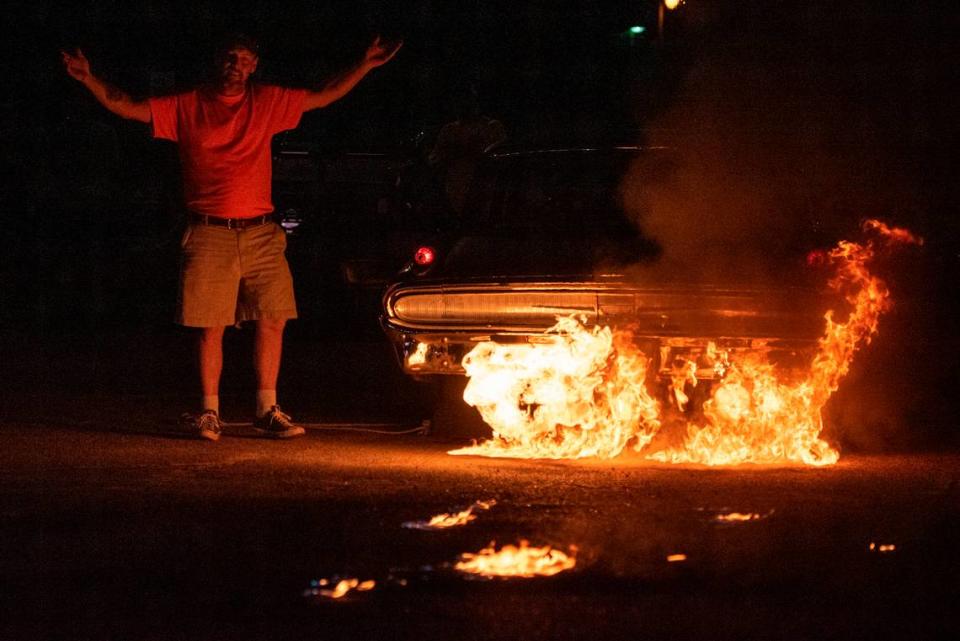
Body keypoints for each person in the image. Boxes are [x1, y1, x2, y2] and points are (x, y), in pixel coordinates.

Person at [62, 33, 402, 441]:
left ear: (254, 65)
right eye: (229, 57)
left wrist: (363, 64)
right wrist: (88, 79)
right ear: (217, 61)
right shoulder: (188, 105)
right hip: (209, 231)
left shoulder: (268, 101)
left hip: (260, 231)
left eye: (244, 59)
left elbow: (323, 95)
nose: (236, 65)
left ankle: (266, 409)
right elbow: (128, 106)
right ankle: (209, 412)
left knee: (273, 318)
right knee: (210, 325)